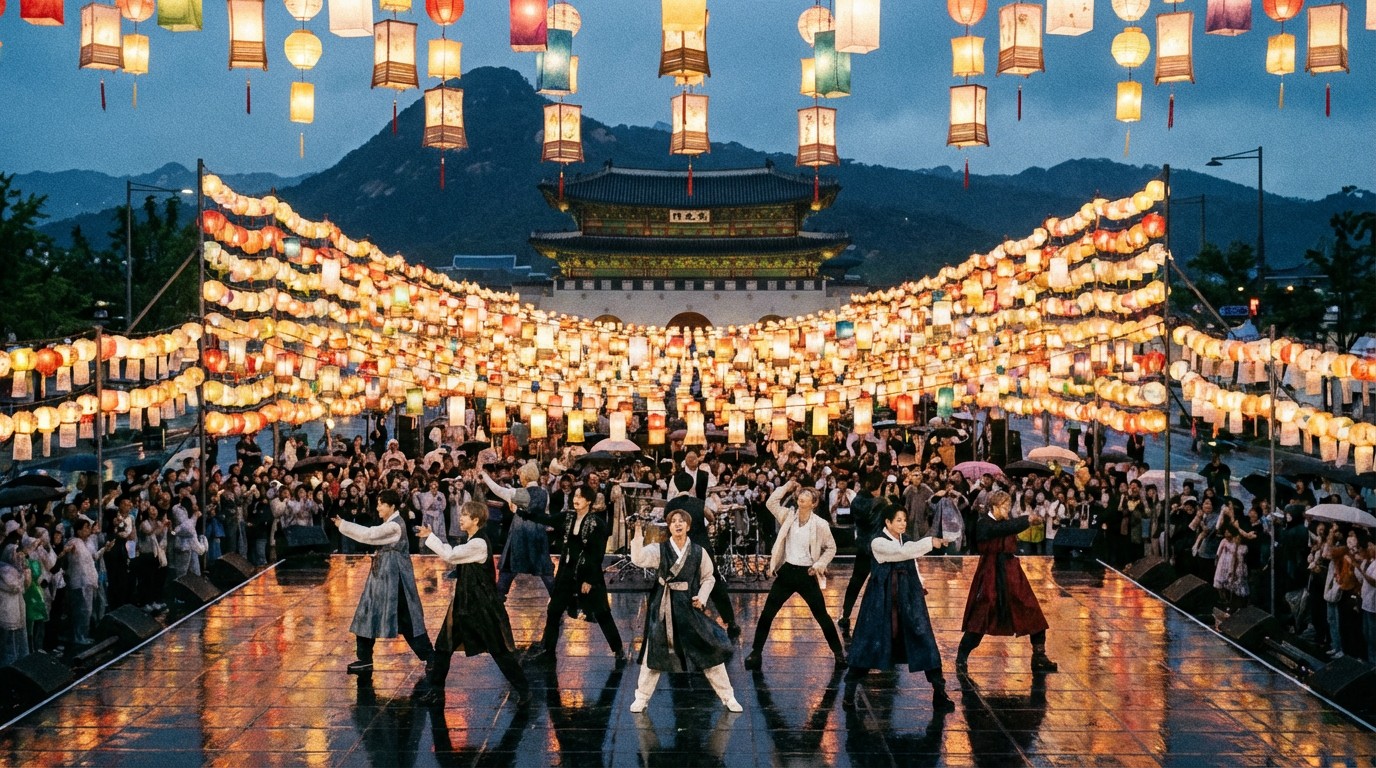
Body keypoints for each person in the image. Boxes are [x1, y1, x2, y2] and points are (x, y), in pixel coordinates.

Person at [627, 508, 741, 713]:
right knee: (653, 654)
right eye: (673, 521)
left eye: (682, 521)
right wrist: (637, 534)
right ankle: (641, 698)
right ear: (668, 527)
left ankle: (728, 696)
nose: (678, 524)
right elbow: (638, 559)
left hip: (689, 606)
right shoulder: (658, 549)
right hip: (663, 606)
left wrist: (702, 598)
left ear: (688, 526)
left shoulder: (698, 552)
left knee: (709, 649)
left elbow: (709, 578)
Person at [415, 501, 529, 706]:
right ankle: (436, 691)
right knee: (444, 645)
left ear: (476, 520)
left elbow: (451, 555)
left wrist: (430, 537)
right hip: (464, 603)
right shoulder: (472, 540)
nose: (460, 518)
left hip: (481, 606)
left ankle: (524, 689)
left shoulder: (478, 544)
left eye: (465, 515)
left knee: (498, 649)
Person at [843, 503, 953, 711]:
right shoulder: (878, 542)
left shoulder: (907, 540)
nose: (903, 524)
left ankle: (940, 693)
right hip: (881, 601)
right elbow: (902, 553)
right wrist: (931, 541)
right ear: (887, 522)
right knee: (870, 643)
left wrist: (920, 584)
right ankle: (849, 694)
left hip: (908, 599)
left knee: (924, 639)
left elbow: (912, 561)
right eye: (898, 520)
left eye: (904, 520)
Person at [744, 479, 845, 670]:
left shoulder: (820, 524)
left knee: (821, 615)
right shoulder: (788, 516)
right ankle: (756, 653)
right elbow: (770, 503)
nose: (802, 498)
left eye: (807, 496)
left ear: (814, 503)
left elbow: (831, 548)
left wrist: (819, 564)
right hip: (787, 572)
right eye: (801, 495)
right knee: (767, 614)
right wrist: (787, 487)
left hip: (807, 574)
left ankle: (839, 654)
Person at [332, 489, 434, 675]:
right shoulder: (390, 523)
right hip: (381, 577)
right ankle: (364, 658)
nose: (377, 507)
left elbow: (369, 535)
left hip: (396, 580)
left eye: (381, 504)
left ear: (391, 506)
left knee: (407, 618)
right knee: (367, 612)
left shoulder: (395, 526)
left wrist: (343, 524)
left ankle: (431, 657)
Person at [955, 490, 1057, 674]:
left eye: (1009, 506)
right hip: (991, 573)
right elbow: (1000, 529)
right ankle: (962, 655)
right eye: (1005, 506)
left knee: (1030, 607)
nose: (1008, 510)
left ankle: (1039, 655)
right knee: (983, 612)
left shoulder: (1005, 523)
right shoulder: (984, 523)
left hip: (1011, 571)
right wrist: (1026, 520)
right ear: (994, 506)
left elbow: (1008, 527)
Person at [524, 485, 626, 662]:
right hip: (567, 571)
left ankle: (618, 649)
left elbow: (597, 554)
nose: (575, 499)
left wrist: (589, 580)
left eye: (580, 496)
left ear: (588, 501)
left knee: (601, 612)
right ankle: (548, 649)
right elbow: (547, 519)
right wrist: (525, 514)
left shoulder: (596, 523)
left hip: (587, 573)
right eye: (575, 495)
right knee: (554, 610)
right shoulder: (568, 517)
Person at [664, 472, 740, 638]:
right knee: (714, 582)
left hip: (681, 549)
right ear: (691, 486)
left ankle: (682, 624)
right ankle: (731, 622)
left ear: (676, 485)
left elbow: (668, 524)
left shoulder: (670, 505)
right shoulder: (698, 502)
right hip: (702, 548)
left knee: (683, 584)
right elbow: (711, 517)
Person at [481, 462, 556, 598]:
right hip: (538, 534)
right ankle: (559, 600)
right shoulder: (544, 493)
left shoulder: (519, 493)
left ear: (525, 476)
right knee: (545, 571)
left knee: (508, 568)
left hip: (520, 533)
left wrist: (484, 476)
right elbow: (545, 512)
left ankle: (498, 598)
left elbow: (497, 489)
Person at [839, 474, 881, 631]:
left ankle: (846, 614)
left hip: (863, 547)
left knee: (855, 582)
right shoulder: (879, 502)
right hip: (878, 548)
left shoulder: (856, 501)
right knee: (879, 583)